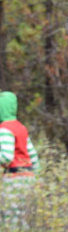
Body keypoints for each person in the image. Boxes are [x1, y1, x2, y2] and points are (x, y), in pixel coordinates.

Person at [0, 91, 40, 224]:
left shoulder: (4, 129)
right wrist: (37, 176)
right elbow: (33, 156)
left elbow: (6, 157)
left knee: (11, 216)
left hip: (13, 179)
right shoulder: (21, 128)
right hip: (29, 178)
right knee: (26, 216)